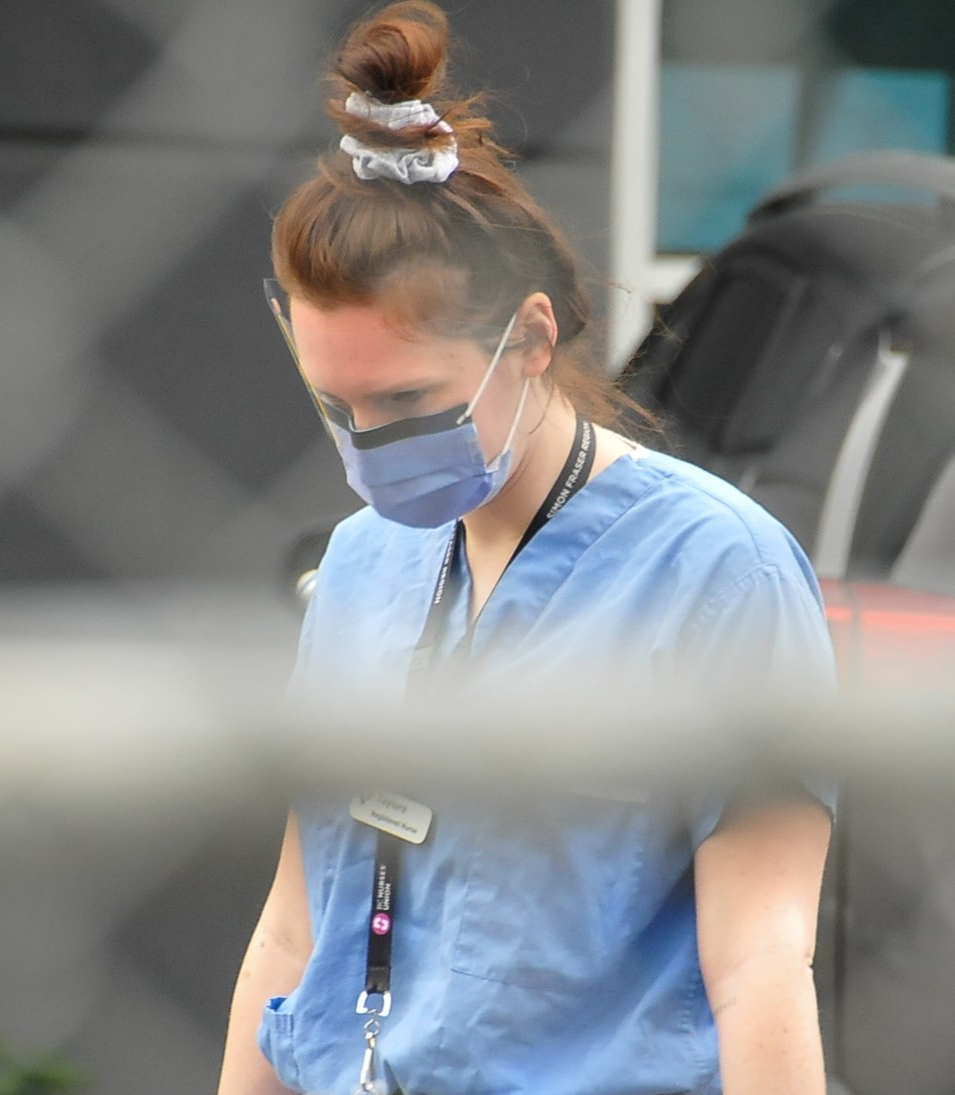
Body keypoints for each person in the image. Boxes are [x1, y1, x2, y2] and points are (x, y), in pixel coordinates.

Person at [217, 3, 835, 1094]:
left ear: (533, 338)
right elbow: (290, 933)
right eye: (337, 408)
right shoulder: (363, 565)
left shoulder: (716, 568)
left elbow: (760, 964)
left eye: (410, 400)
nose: (372, 447)